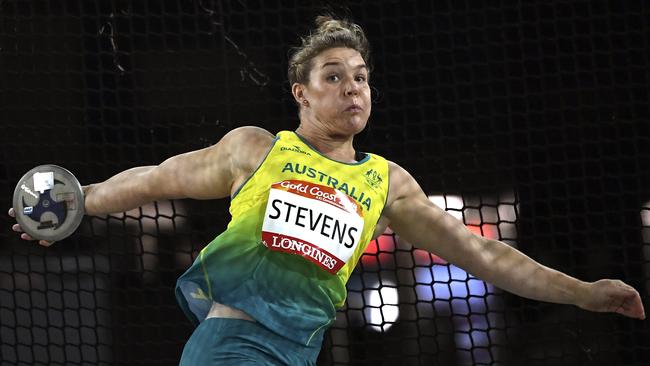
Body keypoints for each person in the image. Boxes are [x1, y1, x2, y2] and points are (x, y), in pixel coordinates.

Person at [9, 15, 645, 366]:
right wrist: (77, 200)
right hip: (233, 347)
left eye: (362, 78)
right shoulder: (257, 150)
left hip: (298, 355)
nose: (352, 89)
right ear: (301, 93)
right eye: (334, 77)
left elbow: (488, 257)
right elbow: (151, 180)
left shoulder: (386, 183)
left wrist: (584, 292)